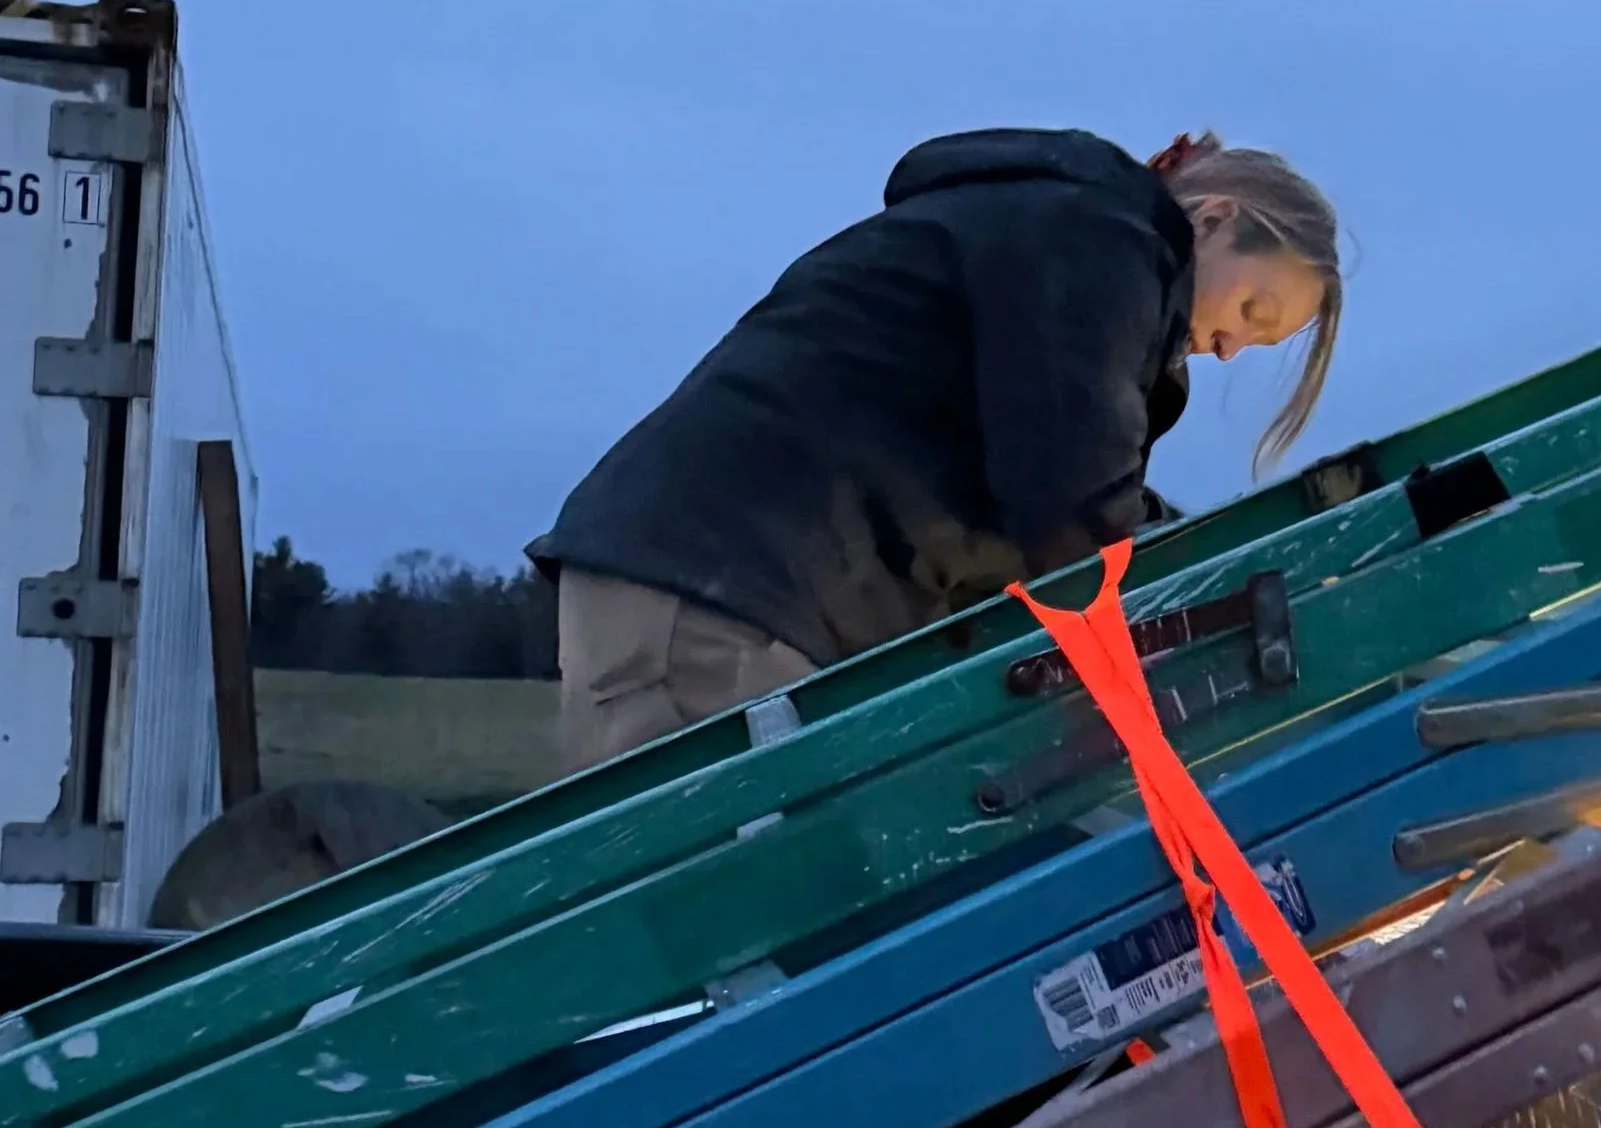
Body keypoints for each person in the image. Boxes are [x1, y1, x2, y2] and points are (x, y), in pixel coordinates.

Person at [531, 126, 1341, 774]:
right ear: (1215, 217)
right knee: (732, 909)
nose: (1234, 346)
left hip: (716, 585)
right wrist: (1200, 591)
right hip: (716, 598)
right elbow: (1068, 501)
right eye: (1253, 306)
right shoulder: (1096, 242)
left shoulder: (1055, 237)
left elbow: (1037, 476)